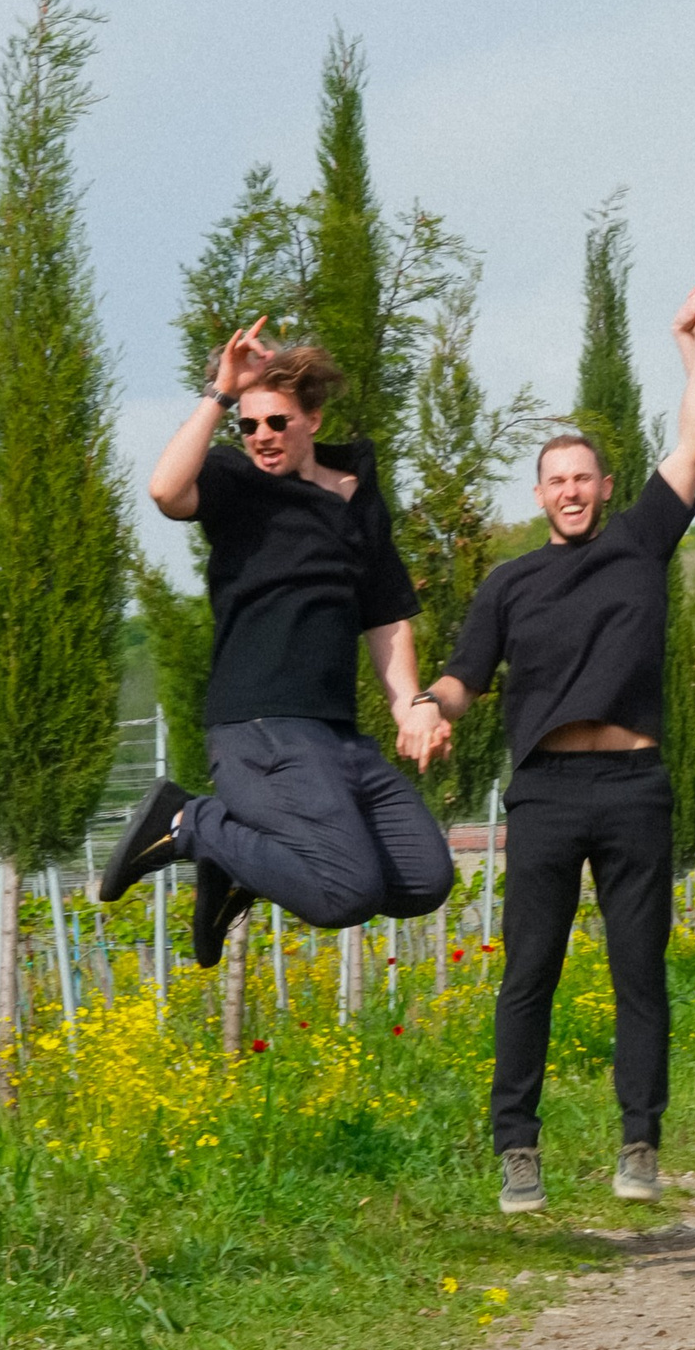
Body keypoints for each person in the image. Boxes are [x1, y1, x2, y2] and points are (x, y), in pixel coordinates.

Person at [409, 282, 695, 1217]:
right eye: (556, 481)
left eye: (584, 477)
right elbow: (467, 671)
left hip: (634, 785)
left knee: (639, 971)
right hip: (544, 792)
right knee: (528, 972)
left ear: (603, 487)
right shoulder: (510, 583)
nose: (572, 492)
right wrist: (433, 703)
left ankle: (640, 1143)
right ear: (540, 494)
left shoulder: (640, 544)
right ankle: (518, 1150)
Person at [105, 327, 454, 964]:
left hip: (339, 737)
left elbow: (386, 614)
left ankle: (237, 864)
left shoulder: (356, 495)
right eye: (249, 424)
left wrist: (413, 703)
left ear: (313, 420)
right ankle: (192, 825)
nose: (261, 435)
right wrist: (220, 393)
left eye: (277, 421)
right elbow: (164, 492)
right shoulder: (236, 486)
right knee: (345, 892)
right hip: (260, 727)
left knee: (424, 879)